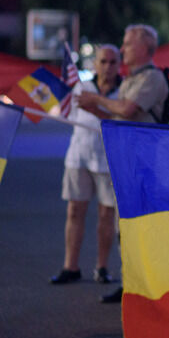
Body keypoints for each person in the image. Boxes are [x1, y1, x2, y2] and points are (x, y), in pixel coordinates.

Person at [78, 23, 169, 304]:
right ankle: (132, 283)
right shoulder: (132, 79)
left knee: (142, 228)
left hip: (145, 166)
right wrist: (94, 108)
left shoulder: (152, 78)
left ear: (144, 48)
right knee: (125, 228)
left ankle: (151, 287)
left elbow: (128, 109)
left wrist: (95, 97)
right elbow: (119, 118)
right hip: (127, 164)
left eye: (127, 44)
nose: (122, 49)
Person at [50, 45, 122, 286]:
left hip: (107, 160)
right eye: (103, 61)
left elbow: (125, 120)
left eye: (113, 62)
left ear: (119, 64)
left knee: (106, 214)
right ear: (95, 64)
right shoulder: (82, 87)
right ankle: (70, 266)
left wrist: (97, 109)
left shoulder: (124, 90)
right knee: (74, 211)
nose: (107, 67)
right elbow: (68, 114)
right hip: (79, 156)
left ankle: (101, 267)